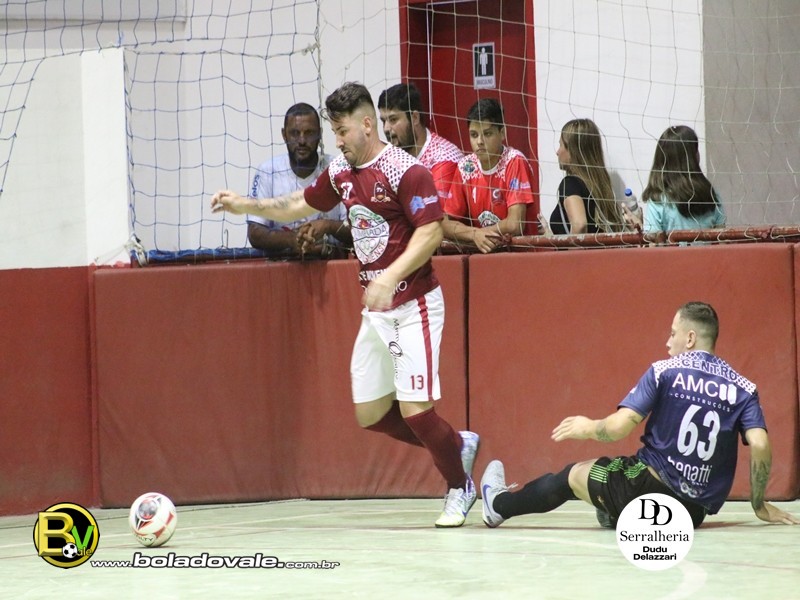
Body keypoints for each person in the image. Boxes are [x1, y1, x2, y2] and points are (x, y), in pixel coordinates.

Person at [212, 82, 479, 528]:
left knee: (416, 410)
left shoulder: (405, 170)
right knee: (371, 414)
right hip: (376, 311)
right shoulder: (340, 171)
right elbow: (299, 203)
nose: (335, 141)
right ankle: (456, 445)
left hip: (414, 304)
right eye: (333, 132)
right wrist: (245, 205)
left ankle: (459, 486)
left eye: (341, 131)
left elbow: (431, 231)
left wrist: (390, 277)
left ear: (366, 125)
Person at [480, 301, 799, 530]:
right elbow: (760, 444)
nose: (667, 342)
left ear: (689, 338)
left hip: (644, 488)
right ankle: (617, 515)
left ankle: (497, 506)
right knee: (612, 481)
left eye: (672, 333)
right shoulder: (743, 387)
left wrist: (588, 426)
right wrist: (759, 504)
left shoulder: (665, 371)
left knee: (571, 476)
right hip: (692, 512)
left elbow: (619, 428)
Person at [247, 102, 350, 256]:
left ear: (319, 134)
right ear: (284, 135)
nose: (302, 140)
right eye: (295, 133)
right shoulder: (267, 172)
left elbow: (358, 230)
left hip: (332, 264)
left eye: (309, 133)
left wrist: (327, 226)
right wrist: (293, 240)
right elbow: (255, 232)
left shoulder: (339, 169)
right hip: (282, 266)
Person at [443, 98, 539, 254]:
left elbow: (515, 224)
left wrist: (481, 234)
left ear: (502, 133)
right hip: (484, 256)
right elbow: (445, 224)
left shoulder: (514, 161)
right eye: (474, 135)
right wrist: (474, 234)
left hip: (520, 256)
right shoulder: (466, 167)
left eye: (487, 134)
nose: (480, 141)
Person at [625, 125, 726, 234]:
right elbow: (721, 239)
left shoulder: (658, 201)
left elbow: (654, 242)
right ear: (694, 158)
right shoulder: (712, 196)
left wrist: (637, 229)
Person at [377, 82, 463, 206]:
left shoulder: (444, 157)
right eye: (383, 121)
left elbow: (434, 212)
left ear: (415, 118)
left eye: (393, 119)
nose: (386, 128)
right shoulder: (388, 157)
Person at [547, 118, 623, 235]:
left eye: (561, 145)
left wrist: (572, 247)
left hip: (581, 247)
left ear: (573, 150)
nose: (557, 152)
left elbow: (580, 226)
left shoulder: (570, 183)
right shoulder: (601, 185)